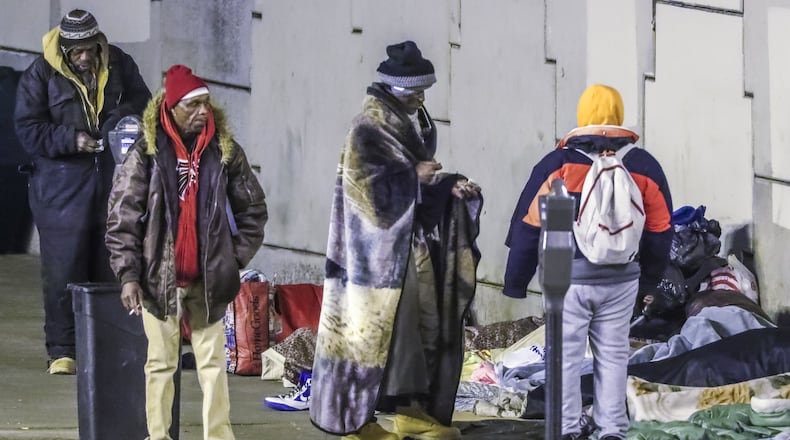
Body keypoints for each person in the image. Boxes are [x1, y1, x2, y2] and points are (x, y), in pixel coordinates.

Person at [310, 40, 483, 440]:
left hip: (402, 247)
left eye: (424, 90)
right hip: (370, 258)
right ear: (393, 88)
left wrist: (448, 187)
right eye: (414, 90)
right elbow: (364, 190)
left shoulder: (410, 121)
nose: (421, 97)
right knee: (381, 334)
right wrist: (415, 178)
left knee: (414, 326)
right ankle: (363, 418)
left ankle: (407, 409)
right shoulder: (368, 127)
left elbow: (408, 182)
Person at [105, 64, 267, 440]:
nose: (202, 112)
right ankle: (158, 436)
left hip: (208, 279)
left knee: (213, 365)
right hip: (158, 278)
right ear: (172, 106)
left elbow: (253, 209)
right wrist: (128, 275)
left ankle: (218, 436)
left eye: (206, 104)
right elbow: (122, 217)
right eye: (193, 105)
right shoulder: (146, 151)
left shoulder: (224, 151)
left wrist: (234, 258)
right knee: (160, 364)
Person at [503, 84, 673, 440]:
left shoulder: (559, 166)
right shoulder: (643, 166)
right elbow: (660, 229)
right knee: (613, 356)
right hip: (622, 279)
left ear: (582, 118)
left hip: (568, 279)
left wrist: (516, 281)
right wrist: (650, 281)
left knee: (564, 357)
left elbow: (528, 225)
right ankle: (611, 429)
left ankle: (565, 429)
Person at [14, 8, 151, 375]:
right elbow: (27, 129)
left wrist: (116, 121)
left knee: (111, 264)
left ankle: (107, 345)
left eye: (90, 49)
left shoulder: (121, 63)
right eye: (77, 52)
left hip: (111, 180)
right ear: (64, 49)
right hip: (60, 187)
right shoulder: (39, 74)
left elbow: (145, 107)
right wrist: (71, 139)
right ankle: (63, 351)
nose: (86, 57)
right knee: (64, 268)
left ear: (98, 43)